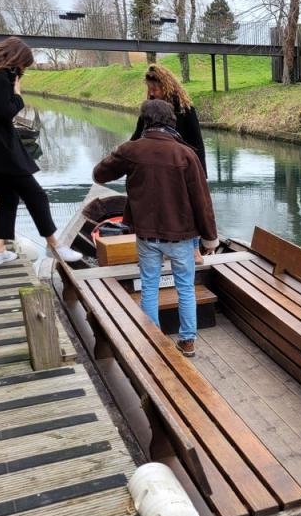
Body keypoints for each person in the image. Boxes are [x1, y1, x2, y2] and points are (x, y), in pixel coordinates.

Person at [92, 100, 219, 358]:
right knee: (185, 287)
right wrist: (209, 239)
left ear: (145, 121)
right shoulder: (186, 154)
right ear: (171, 121)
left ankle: (153, 340)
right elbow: (202, 201)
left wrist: (120, 154)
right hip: (181, 236)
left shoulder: (132, 150)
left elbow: (99, 175)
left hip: (146, 234)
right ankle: (187, 342)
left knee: (149, 285)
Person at [0, 37, 82, 267]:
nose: (21, 71)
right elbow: (5, 111)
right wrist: (17, 94)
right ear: (15, 59)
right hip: (1, 150)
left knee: (8, 198)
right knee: (37, 195)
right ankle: (54, 246)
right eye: (23, 66)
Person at [131, 63, 207, 176]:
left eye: (154, 89)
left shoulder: (185, 110)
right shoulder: (148, 110)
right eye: (149, 89)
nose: (151, 93)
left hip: (180, 169)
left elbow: (197, 143)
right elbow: (136, 138)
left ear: (165, 87)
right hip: (154, 170)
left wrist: (201, 174)